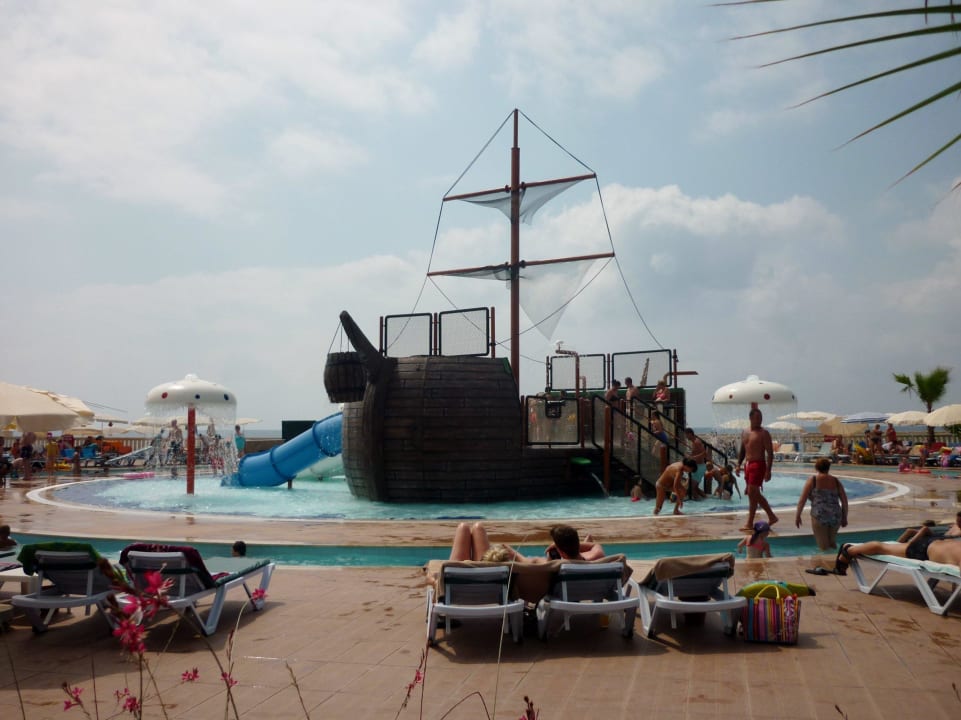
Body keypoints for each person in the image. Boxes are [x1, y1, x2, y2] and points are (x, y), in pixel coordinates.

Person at [834, 525, 961, 575]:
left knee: (884, 548)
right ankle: (849, 550)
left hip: (936, 543)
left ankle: (849, 551)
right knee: (882, 548)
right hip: (924, 549)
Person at [735, 408, 778, 531]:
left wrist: (768, 470)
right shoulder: (745, 432)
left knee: (752, 491)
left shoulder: (764, 433)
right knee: (751, 495)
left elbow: (770, 453)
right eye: (757, 418)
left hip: (758, 464)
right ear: (750, 418)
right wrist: (738, 464)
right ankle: (749, 523)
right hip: (748, 465)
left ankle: (771, 515)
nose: (759, 420)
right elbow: (743, 450)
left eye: (761, 418)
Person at [795, 457, 849, 550]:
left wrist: (798, 515)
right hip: (835, 515)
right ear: (828, 468)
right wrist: (844, 517)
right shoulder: (836, 481)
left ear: (816, 468)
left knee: (823, 546)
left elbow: (802, 500)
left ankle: (827, 559)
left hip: (820, 515)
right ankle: (836, 558)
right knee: (832, 543)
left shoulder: (813, 480)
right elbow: (844, 502)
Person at [684, 427, 707, 496]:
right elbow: (696, 453)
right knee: (695, 488)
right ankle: (705, 498)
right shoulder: (694, 442)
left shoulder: (697, 442)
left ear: (690, 434)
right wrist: (689, 456)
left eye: (686, 435)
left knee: (691, 488)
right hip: (697, 467)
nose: (686, 437)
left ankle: (698, 501)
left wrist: (693, 457)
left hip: (699, 467)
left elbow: (704, 453)